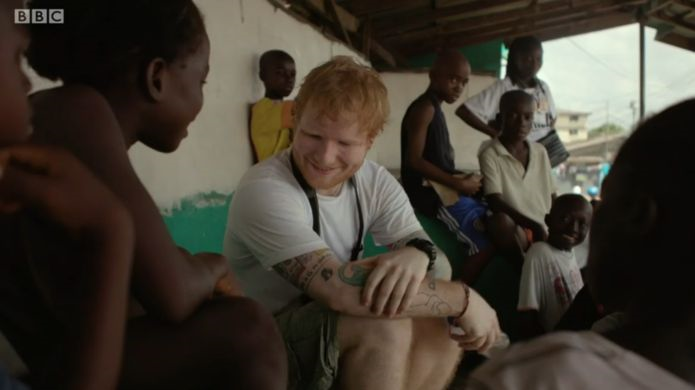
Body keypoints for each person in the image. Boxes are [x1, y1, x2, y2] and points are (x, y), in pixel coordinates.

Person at [1, 1, 287, 389]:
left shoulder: (66, 116)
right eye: (201, 81)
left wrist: (188, 266)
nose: (202, 98)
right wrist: (214, 264)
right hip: (68, 368)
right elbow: (173, 293)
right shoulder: (78, 111)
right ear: (156, 77)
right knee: (248, 330)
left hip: (76, 361)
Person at [224, 56, 501, 390]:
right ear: (295, 120)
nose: (325, 157)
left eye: (344, 143)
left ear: (370, 140)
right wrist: (465, 299)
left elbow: (436, 265)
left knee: (439, 321)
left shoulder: (375, 181)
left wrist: (416, 253)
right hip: (258, 349)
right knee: (384, 321)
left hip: (320, 332)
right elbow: (339, 291)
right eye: (313, 134)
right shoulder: (265, 188)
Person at [467, 99, 695, 389]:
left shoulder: (532, 377)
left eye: (602, 202)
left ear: (635, 215)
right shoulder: (541, 255)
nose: (582, 228)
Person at [0, 3, 133, 389]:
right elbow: (173, 294)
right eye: (15, 58)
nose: (28, 84)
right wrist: (113, 230)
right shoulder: (79, 110)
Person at [400, 49, 491, 283]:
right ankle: (453, 308)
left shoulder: (435, 108)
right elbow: (414, 160)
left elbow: (434, 161)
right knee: (483, 246)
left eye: (464, 82)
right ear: (433, 75)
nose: (458, 87)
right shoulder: (425, 108)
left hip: (442, 187)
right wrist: (457, 183)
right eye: (453, 79)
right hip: (431, 195)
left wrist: (462, 179)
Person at [480, 90, 556, 266]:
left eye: (528, 117)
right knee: (498, 222)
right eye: (513, 116)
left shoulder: (540, 151)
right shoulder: (490, 154)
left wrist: (550, 226)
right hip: (519, 229)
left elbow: (552, 195)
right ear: (500, 119)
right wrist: (534, 226)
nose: (521, 123)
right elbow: (494, 201)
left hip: (544, 227)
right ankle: (522, 270)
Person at [517, 194, 591, 340]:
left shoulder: (571, 253)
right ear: (548, 220)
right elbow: (527, 315)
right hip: (558, 342)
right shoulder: (539, 252)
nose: (573, 229)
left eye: (582, 224)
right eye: (565, 219)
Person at [456, 36, 556, 142]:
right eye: (529, 59)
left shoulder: (543, 88)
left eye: (538, 59)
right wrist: (494, 133)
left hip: (544, 151)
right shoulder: (503, 88)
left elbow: (552, 118)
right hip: (516, 153)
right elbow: (464, 111)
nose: (535, 64)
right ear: (517, 59)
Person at [250, 50, 296, 162]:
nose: (289, 79)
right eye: (280, 73)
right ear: (263, 76)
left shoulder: (283, 109)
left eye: (293, 74)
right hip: (269, 175)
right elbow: (304, 109)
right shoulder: (262, 109)